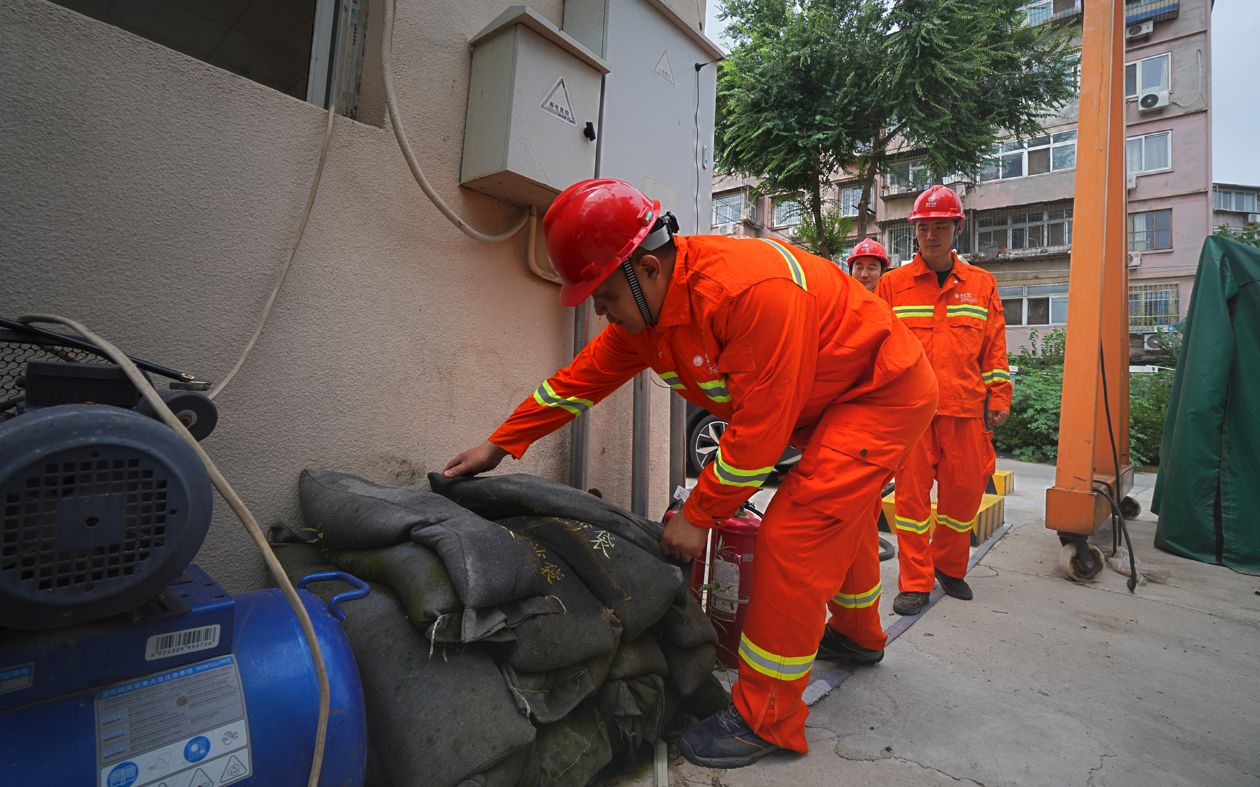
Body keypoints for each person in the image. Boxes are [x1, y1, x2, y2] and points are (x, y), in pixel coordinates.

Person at [444, 178, 937, 768]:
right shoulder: (648, 319)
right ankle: (858, 635)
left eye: (603, 297)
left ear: (647, 269)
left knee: (796, 533)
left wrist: (700, 514)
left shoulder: (750, 293)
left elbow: (757, 436)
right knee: (837, 515)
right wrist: (500, 443)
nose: (600, 312)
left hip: (880, 393)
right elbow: (575, 382)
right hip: (825, 402)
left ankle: (768, 717)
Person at [875, 185, 1012, 616]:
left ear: (957, 228)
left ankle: (950, 568)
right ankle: (915, 581)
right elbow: (876, 348)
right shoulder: (892, 286)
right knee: (912, 504)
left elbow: (994, 348)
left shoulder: (981, 284)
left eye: (940, 227)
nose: (931, 236)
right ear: (913, 232)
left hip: (966, 411)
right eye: (923, 228)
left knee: (964, 497)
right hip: (913, 415)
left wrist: (1000, 396)